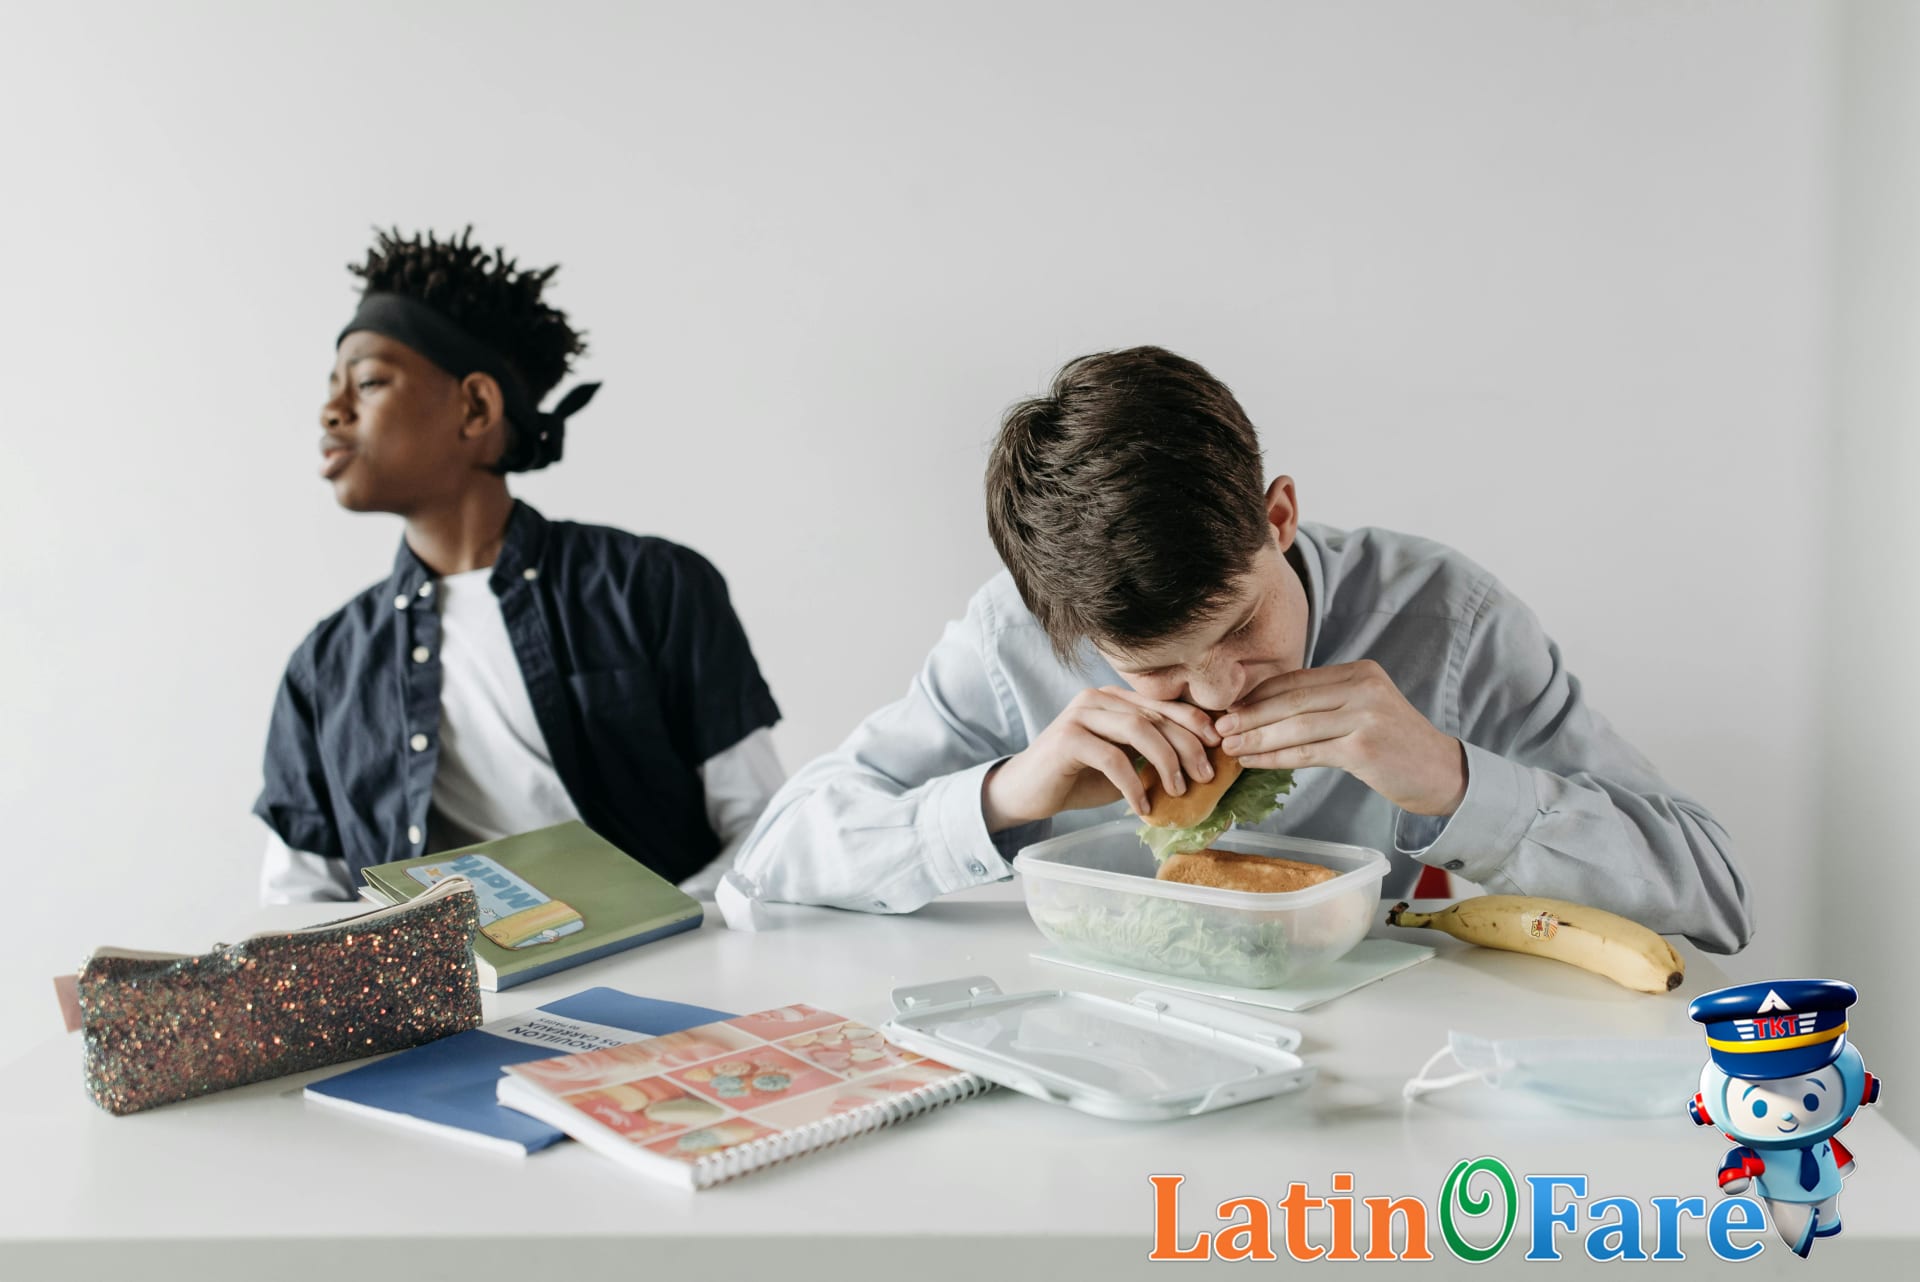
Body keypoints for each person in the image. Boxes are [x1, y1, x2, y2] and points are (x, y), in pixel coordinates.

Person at [726, 346, 1750, 952]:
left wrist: (1448, 779)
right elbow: (767, 866)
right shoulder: (1012, 633)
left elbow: (1710, 897)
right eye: (1158, 670)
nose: (1218, 694)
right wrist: (1005, 793)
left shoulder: (1451, 616)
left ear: (1280, 516)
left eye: (1241, 628)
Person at [255, 228, 782, 902]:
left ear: (475, 406)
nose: (331, 411)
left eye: (367, 381)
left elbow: (762, 827)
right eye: (333, 388)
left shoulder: (650, 586)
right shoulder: (324, 667)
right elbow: (300, 898)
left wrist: (675, 935)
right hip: (446, 1007)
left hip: (673, 990)